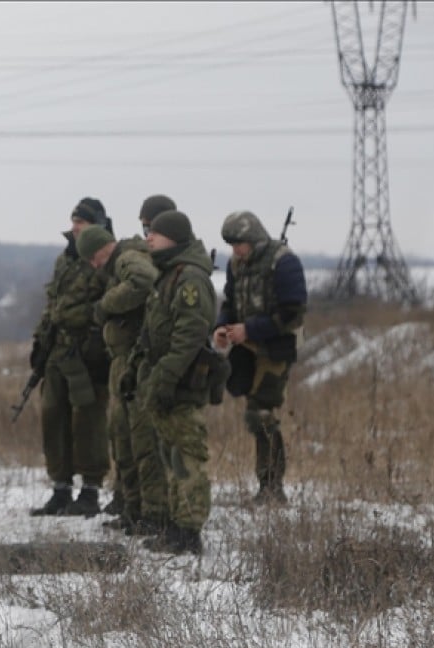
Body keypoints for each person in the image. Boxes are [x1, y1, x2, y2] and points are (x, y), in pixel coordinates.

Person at [77, 194, 171, 537]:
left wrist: (106, 305)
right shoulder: (118, 261)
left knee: (142, 439)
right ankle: (134, 509)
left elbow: (143, 282)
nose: (94, 266)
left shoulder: (128, 257)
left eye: (94, 259)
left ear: (103, 249)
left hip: (137, 359)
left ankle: (153, 512)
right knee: (122, 438)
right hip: (124, 360)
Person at [134, 210, 217, 555]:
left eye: (155, 232)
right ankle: (176, 525)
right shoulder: (169, 274)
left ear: (174, 237)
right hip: (167, 379)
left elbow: (190, 334)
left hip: (182, 382)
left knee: (186, 456)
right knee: (172, 455)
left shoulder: (190, 278)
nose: (148, 237)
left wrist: (165, 376)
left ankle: (188, 531)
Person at [213, 210, 308, 506]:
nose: (236, 250)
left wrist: (250, 328)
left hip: (275, 348)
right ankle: (267, 487)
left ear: (253, 238)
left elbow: (293, 313)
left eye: (239, 243)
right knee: (254, 411)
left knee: (262, 414)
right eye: (232, 245)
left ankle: (271, 487)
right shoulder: (236, 265)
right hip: (246, 348)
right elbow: (230, 302)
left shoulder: (284, 263)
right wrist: (222, 327)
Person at [28, 197, 111, 517]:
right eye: (75, 220)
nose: (76, 227)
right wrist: (40, 341)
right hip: (59, 350)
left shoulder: (105, 257)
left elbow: (111, 302)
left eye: (83, 222)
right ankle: (60, 488)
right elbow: (53, 303)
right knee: (53, 416)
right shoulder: (66, 257)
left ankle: (90, 490)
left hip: (88, 351)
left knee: (88, 419)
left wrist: (97, 340)